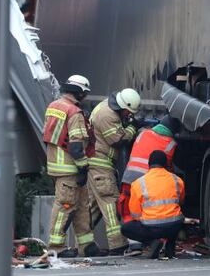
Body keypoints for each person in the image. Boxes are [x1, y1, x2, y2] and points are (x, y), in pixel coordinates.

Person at [43, 75, 100, 257]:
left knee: (82, 205)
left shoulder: (54, 106)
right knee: (65, 206)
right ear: (79, 93)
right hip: (70, 168)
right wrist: (83, 167)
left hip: (57, 165)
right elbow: (75, 146)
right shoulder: (74, 112)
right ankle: (56, 247)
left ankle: (86, 245)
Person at [88, 88, 141, 255]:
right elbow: (117, 139)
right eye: (128, 112)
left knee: (93, 208)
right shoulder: (107, 114)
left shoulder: (108, 109)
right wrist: (132, 128)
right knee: (111, 202)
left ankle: (84, 245)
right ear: (123, 106)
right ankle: (118, 245)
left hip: (98, 164)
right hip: (100, 165)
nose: (127, 115)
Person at [121, 150, 185, 259]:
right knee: (176, 219)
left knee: (125, 229)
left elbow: (135, 213)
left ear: (149, 165)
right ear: (166, 164)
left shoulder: (138, 183)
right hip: (173, 226)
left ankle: (152, 242)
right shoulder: (177, 180)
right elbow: (181, 202)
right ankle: (169, 249)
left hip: (151, 229)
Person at [118, 115, 180, 223]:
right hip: (148, 182)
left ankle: (129, 229)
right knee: (150, 209)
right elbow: (167, 170)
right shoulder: (171, 144)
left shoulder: (143, 134)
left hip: (128, 178)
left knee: (127, 209)